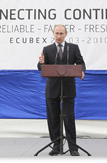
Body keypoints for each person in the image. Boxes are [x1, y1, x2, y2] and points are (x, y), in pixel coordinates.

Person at [37, 24, 86, 156]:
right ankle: (56, 146)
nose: (59, 36)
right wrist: (41, 63)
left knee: (69, 117)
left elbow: (81, 63)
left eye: (61, 33)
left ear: (66, 34)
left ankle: (73, 148)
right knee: (53, 118)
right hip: (52, 89)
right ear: (53, 34)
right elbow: (42, 68)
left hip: (68, 88)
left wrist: (82, 71)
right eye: (56, 33)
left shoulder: (73, 48)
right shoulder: (47, 49)